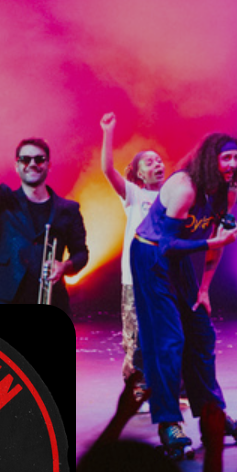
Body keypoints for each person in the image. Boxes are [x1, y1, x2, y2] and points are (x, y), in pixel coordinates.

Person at [128, 132, 237, 456]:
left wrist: (204, 289)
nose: (232, 164)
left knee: (202, 335)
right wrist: (212, 242)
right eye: (226, 158)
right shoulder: (185, 187)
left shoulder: (227, 191)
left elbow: (217, 243)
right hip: (151, 255)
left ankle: (213, 416)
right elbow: (167, 246)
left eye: (236, 158)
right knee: (169, 341)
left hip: (178, 261)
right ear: (211, 159)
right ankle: (168, 422)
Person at [0, 121, 88, 314]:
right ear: (17, 166)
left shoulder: (68, 209)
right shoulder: (4, 201)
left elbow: (81, 253)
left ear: (49, 165)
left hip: (52, 299)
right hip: (9, 298)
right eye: (25, 159)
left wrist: (64, 266)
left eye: (39, 159)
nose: (32, 164)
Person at [99, 112, 164, 378]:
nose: (157, 164)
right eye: (150, 162)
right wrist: (108, 132)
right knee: (135, 337)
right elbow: (107, 170)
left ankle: (166, 384)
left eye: (159, 160)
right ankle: (135, 385)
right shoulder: (135, 194)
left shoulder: (173, 196)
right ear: (139, 173)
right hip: (136, 279)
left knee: (164, 332)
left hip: (164, 277)